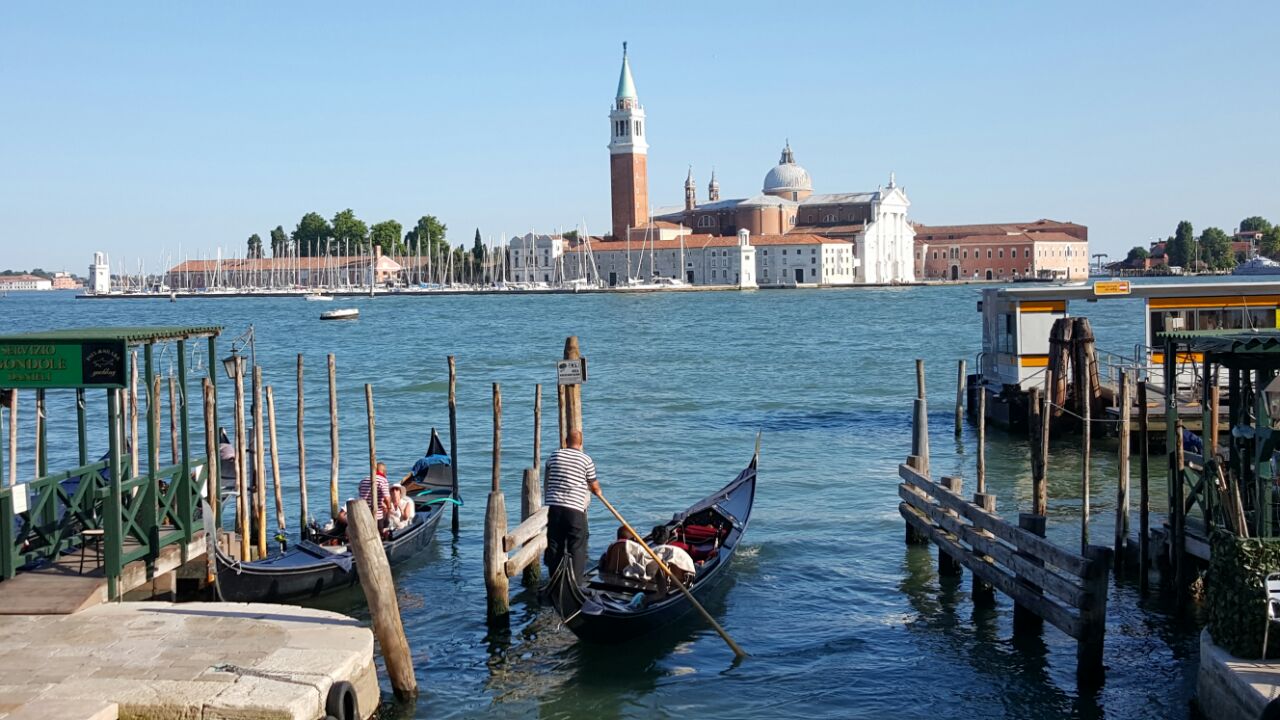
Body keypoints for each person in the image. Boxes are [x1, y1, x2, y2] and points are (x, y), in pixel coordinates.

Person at [543, 429, 601, 580]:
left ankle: (554, 579)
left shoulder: (554, 455)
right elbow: (595, 487)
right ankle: (576, 581)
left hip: (555, 508)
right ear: (581, 443)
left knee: (555, 545)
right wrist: (597, 491)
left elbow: (549, 474)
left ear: (565, 441)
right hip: (574, 510)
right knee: (577, 547)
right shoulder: (586, 460)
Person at [358, 461, 392, 529]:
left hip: (363, 513)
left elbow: (361, 494)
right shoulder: (383, 480)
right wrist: (388, 512)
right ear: (384, 471)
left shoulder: (363, 480)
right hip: (377, 516)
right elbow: (387, 498)